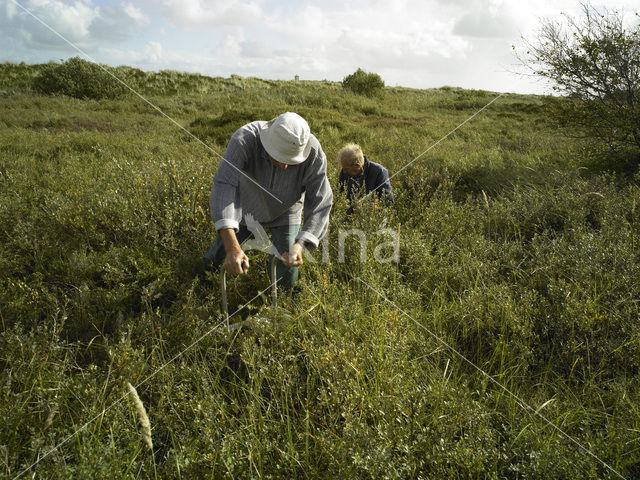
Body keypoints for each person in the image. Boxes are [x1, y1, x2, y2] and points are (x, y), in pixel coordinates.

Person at [203, 112, 333, 288]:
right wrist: (231, 247)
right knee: (218, 256)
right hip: (247, 207)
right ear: (267, 145)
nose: (285, 166)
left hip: (287, 210)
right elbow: (224, 185)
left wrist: (301, 244)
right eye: (280, 158)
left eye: (292, 161)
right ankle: (203, 283)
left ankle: (280, 301)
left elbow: (321, 200)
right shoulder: (245, 139)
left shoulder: (314, 152)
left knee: (288, 268)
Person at [338, 143, 394, 210]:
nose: (344, 171)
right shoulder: (345, 171)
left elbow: (388, 201)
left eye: (347, 168)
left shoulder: (379, 172)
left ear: (357, 166)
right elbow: (339, 195)